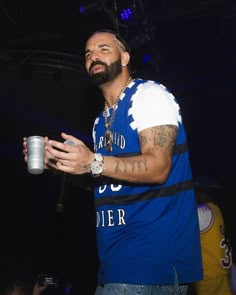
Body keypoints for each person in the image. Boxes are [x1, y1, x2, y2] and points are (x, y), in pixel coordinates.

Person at [23, 29, 203, 295]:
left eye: (103, 49)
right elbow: (105, 183)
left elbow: (158, 167)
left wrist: (94, 161)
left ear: (125, 57)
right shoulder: (101, 121)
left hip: (151, 261)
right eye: (88, 53)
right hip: (114, 263)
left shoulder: (148, 95)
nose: (93, 56)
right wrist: (61, 165)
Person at [188, 176, 233, 295]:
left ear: (200, 192)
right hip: (222, 274)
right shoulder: (217, 210)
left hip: (209, 278)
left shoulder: (202, 212)